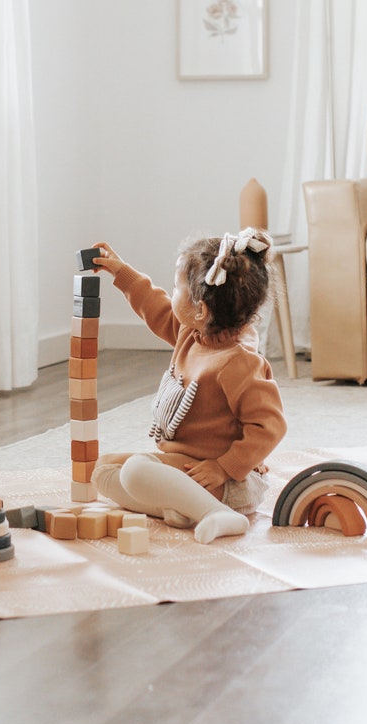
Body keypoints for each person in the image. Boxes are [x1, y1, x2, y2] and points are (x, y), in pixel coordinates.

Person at [90, 228, 287, 544]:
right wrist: (120, 271)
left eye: (175, 288)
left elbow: (270, 426)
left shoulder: (239, 362)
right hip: (189, 468)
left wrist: (223, 468)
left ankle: (216, 513)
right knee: (102, 471)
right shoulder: (192, 332)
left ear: (200, 309)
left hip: (232, 482)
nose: (170, 295)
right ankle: (186, 506)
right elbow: (153, 306)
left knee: (134, 471)